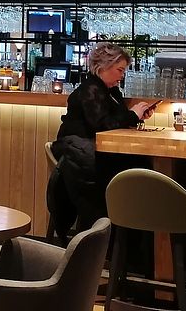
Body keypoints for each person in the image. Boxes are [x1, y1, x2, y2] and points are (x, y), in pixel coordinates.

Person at [50, 43, 157, 232]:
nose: (122, 76)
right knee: (140, 168)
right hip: (84, 159)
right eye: (120, 70)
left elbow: (116, 122)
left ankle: (132, 233)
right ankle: (128, 230)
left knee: (141, 166)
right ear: (103, 66)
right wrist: (132, 115)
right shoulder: (90, 89)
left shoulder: (110, 91)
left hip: (96, 155)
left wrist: (137, 116)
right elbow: (101, 125)